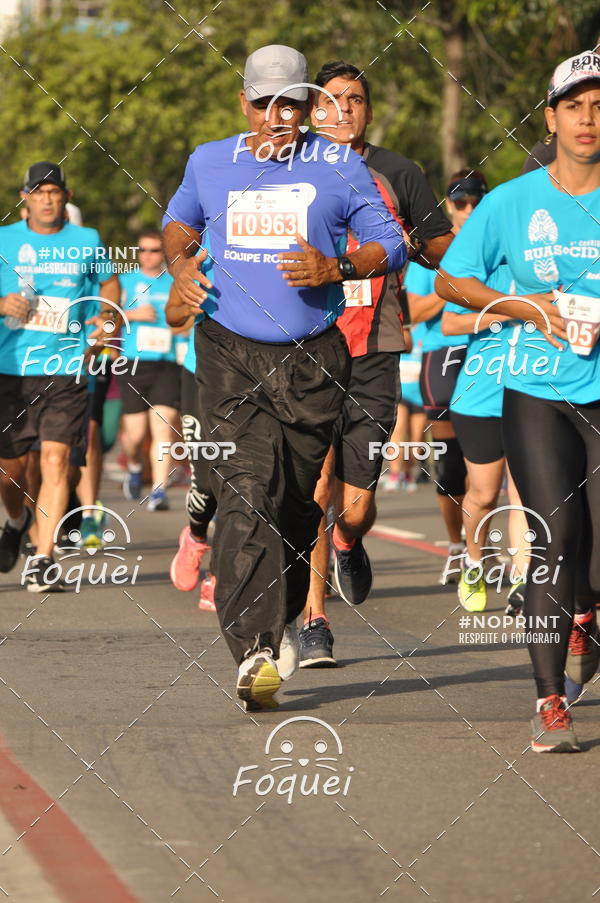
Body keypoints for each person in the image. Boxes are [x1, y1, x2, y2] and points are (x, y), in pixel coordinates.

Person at [162, 44, 407, 710]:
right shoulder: (210, 160)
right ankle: (256, 651)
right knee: (246, 492)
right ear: (245, 103)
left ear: (307, 106)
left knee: (298, 506)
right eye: (265, 102)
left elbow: (392, 239)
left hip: (311, 357)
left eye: (291, 103)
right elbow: (178, 222)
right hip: (227, 348)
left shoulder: (338, 165)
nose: (278, 116)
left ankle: (291, 608)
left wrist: (340, 269)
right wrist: (182, 265)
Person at [435, 50, 600, 752]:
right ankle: (549, 699)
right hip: (536, 390)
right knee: (555, 544)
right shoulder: (510, 201)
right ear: (551, 116)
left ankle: (585, 620)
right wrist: (523, 304)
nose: (589, 119)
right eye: (576, 106)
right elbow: (449, 283)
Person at [299, 61, 453, 668]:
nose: (343, 109)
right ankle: (315, 620)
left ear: (368, 110)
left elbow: (441, 243)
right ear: (314, 110)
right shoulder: (292, 171)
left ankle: (348, 539)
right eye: (331, 99)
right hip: (309, 344)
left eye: (355, 99)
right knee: (317, 486)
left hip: (377, 344)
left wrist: (419, 243)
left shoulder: (398, 172)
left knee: (355, 502)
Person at [0, 162, 119, 590]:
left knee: (55, 461)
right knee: (9, 473)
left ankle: (43, 559)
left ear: (65, 197)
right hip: (11, 371)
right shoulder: (4, 239)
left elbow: (109, 285)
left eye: (54, 192)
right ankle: (17, 520)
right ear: (24, 197)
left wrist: (107, 319)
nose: (46, 199)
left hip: (66, 368)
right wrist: (2, 302)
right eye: (38, 192)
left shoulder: (86, 240)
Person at [405, 171, 488, 584]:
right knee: (452, 465)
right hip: (443, 354)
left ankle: (484, 548)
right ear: (448, 204)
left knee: (490, 462)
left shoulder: (495, 241)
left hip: (488, 353)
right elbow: (414, 311)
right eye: (460, 202)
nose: (469, 210)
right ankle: (457, 547)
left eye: (477, 201)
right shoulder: (432, 249)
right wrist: (453, 285)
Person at [441, 268, 529, 613]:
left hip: (531, 394)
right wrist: (510, 312)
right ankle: (474, 564)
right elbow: (450, 324)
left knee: (523, 493)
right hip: (480, 399)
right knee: (484, 495)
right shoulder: (486, 269)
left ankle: (523, 580)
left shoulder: (545, 270)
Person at [166, 282, 217, 612]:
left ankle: (220, 576)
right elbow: (173, 315)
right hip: (202, 375)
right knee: (206, 485)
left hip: (258, 379)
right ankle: (196, 536)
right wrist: (189, 306)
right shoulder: (204, 255)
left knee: (242, 481)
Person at [118, 231, 177, 511]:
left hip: (166, 362)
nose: (149, 255)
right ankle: (133, 465)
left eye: (155, 250)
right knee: (135, 436)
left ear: (163, 252)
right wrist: (132, 315)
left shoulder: (174, 281)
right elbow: (106, 314)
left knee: (163, 429)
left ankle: (158, 490)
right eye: (144, 250)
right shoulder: (125, 281)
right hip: (133, 362)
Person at [383, 319, 427, 492]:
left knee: (417, 441)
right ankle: (395, 473)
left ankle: (407, 471)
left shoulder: (426, 326)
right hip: (401, 389)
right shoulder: (396, 324)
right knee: (398, 430)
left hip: (420, 392)